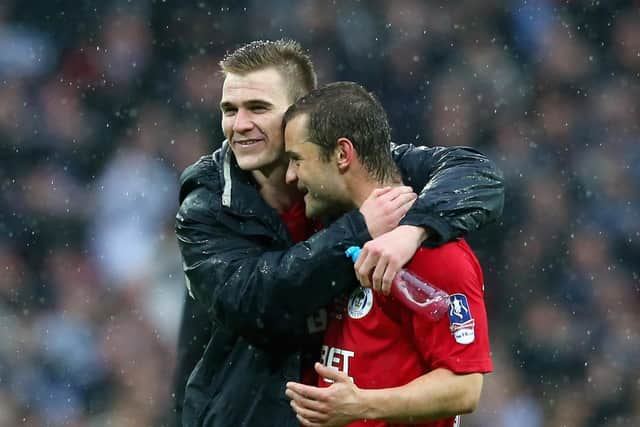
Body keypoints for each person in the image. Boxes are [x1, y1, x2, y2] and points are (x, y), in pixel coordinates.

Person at [174, 39, 503, 427]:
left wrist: (414, 229)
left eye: (258, 108)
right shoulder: (207, 207)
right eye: (229, 110)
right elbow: (258, 301)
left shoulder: (361, 180)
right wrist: (360, 228)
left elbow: (477, 174)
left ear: (300, 112)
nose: (239, 124)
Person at [282, 81, 492, 427]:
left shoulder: (431, 248)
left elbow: (464, 387)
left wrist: (362, 405)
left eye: (297, 160)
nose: (290, 176)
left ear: (342, 154)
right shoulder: (329, 236)